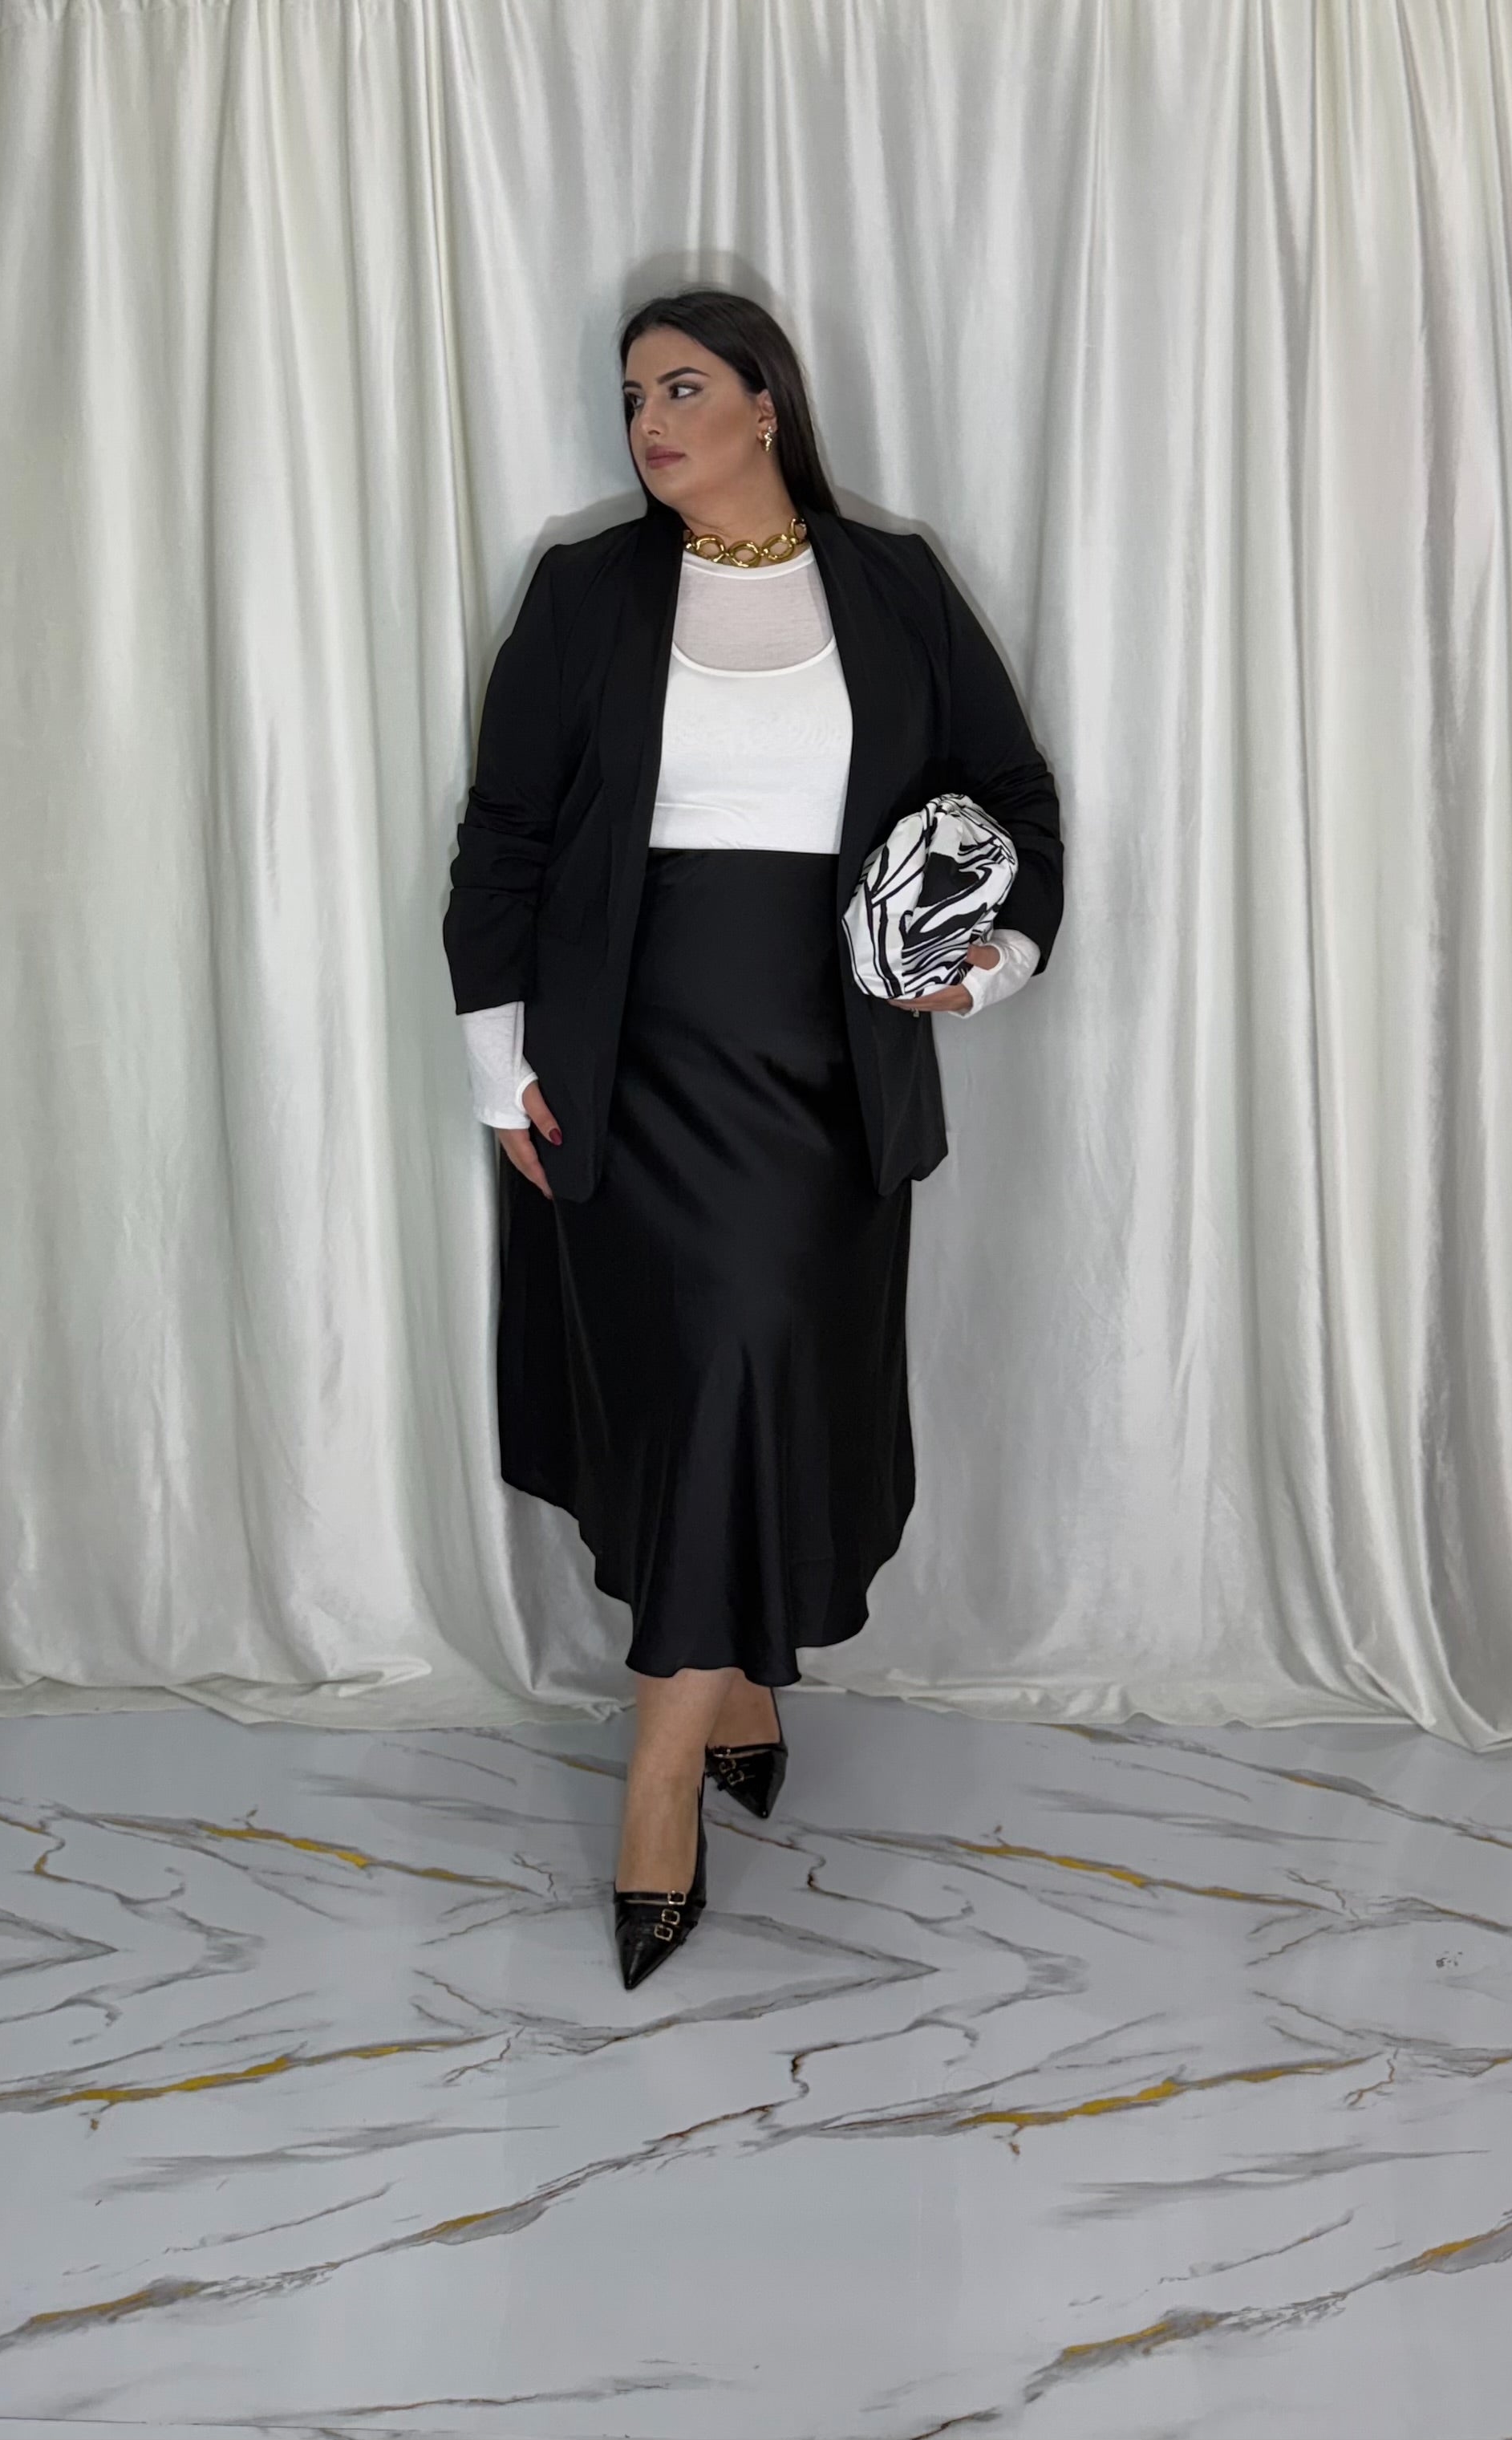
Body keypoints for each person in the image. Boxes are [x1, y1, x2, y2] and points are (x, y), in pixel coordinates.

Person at [441, 287, 1064, 1988]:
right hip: (627, 1060)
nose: (651, 421)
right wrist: (500, 1068)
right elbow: (504, 835)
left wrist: (991, 961)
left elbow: (1014, 796)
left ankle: (714, 1698)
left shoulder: (896, 584)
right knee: (690, 1383)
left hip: (829, 1065)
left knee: (765, 1371)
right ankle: (684, 1749)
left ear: (767, 403)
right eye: (633, 395)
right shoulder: (585, 592)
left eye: (685, 387)